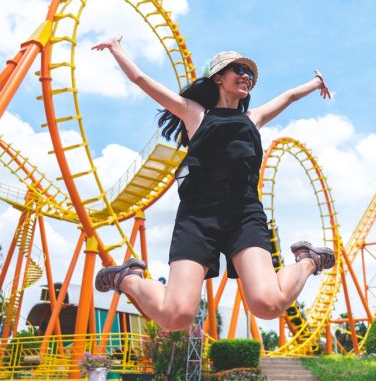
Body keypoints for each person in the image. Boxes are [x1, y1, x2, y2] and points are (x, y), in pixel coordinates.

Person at [92, 36, 336, 331]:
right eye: (239, 70)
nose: (246, 76)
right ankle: (127, 277)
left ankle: (309, 260)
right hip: (198, 216)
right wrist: (117, 48)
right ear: (219, 77)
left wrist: (316, 83)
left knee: (268, 305)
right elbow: (141, 79)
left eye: (250, 74)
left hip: (244, 215)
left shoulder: (253, 118)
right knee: (176, 317)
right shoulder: (194, 114)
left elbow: (288, 97)